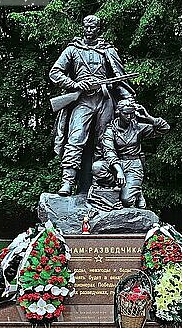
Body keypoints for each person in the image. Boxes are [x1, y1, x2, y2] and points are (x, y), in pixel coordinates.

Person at [49, 15, 134, 196]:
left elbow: (119, 79)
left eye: (92, 27)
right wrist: (75, 85)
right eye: (86, 27)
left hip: (104, 100)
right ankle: (67, 182)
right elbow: (55, 73)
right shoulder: (72, 49)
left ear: (98, 29)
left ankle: (99, 183)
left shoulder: (108, 50)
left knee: (105, 142)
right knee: (75, 138)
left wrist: (128, 99)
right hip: (83, 100)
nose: (89, 30)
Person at [91, 98, 170, 208]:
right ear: (119, 113)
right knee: (97, 167)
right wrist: (119, 171)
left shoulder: (137, 128)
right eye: (126, 114)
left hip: (134, 164)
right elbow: (109, 151)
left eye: (131, 114)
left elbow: (164, 128)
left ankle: (137, 193)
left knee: (127, 201)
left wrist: (148, 117)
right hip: (117, 163)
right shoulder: (111, 130)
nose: (129, 117)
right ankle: (119, 184)